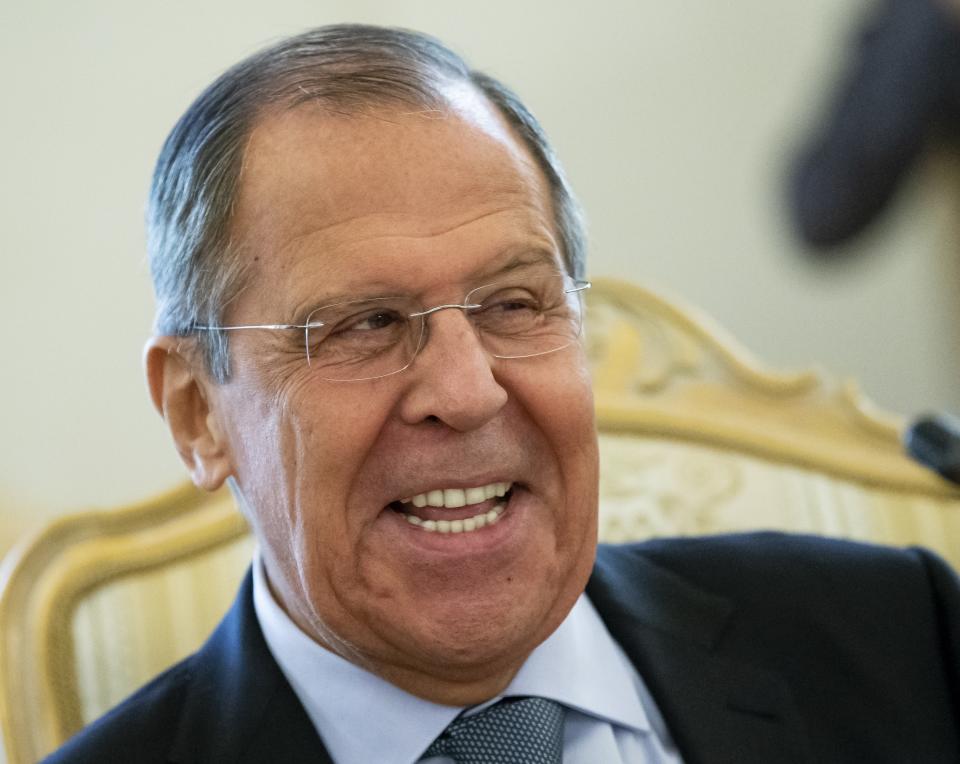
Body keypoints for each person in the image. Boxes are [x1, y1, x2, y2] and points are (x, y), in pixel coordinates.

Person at [46, 24, 960, 763]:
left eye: (515, 303)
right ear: (197, 413)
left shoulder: (899, 640)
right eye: (365, 324)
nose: (468, 390)